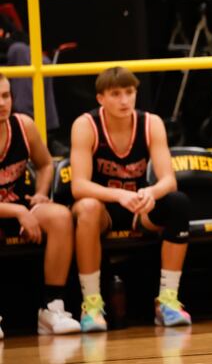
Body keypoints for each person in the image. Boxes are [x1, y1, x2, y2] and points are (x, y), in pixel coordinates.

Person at [70, 67, 193, 332]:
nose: (124, 100)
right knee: (88, 208)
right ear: (101, 98)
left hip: (137, 206)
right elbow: (78, 186)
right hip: (103, 208)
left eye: (129, 92)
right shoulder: (85, 125)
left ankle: (167, 301)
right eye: (116, 94)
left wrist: (151, 193)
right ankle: (91, 306)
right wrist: (119, 195)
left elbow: (168, 180)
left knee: (178, 201)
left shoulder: (151, 123)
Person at [0, 74, 80, 335]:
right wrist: (18, 211)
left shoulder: (24, 126)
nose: (3, 103)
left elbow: (45, 164)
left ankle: (51, 308)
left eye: (6, 96)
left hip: (18, 207)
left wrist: (41, 193)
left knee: (60, 217)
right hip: (14, 211)